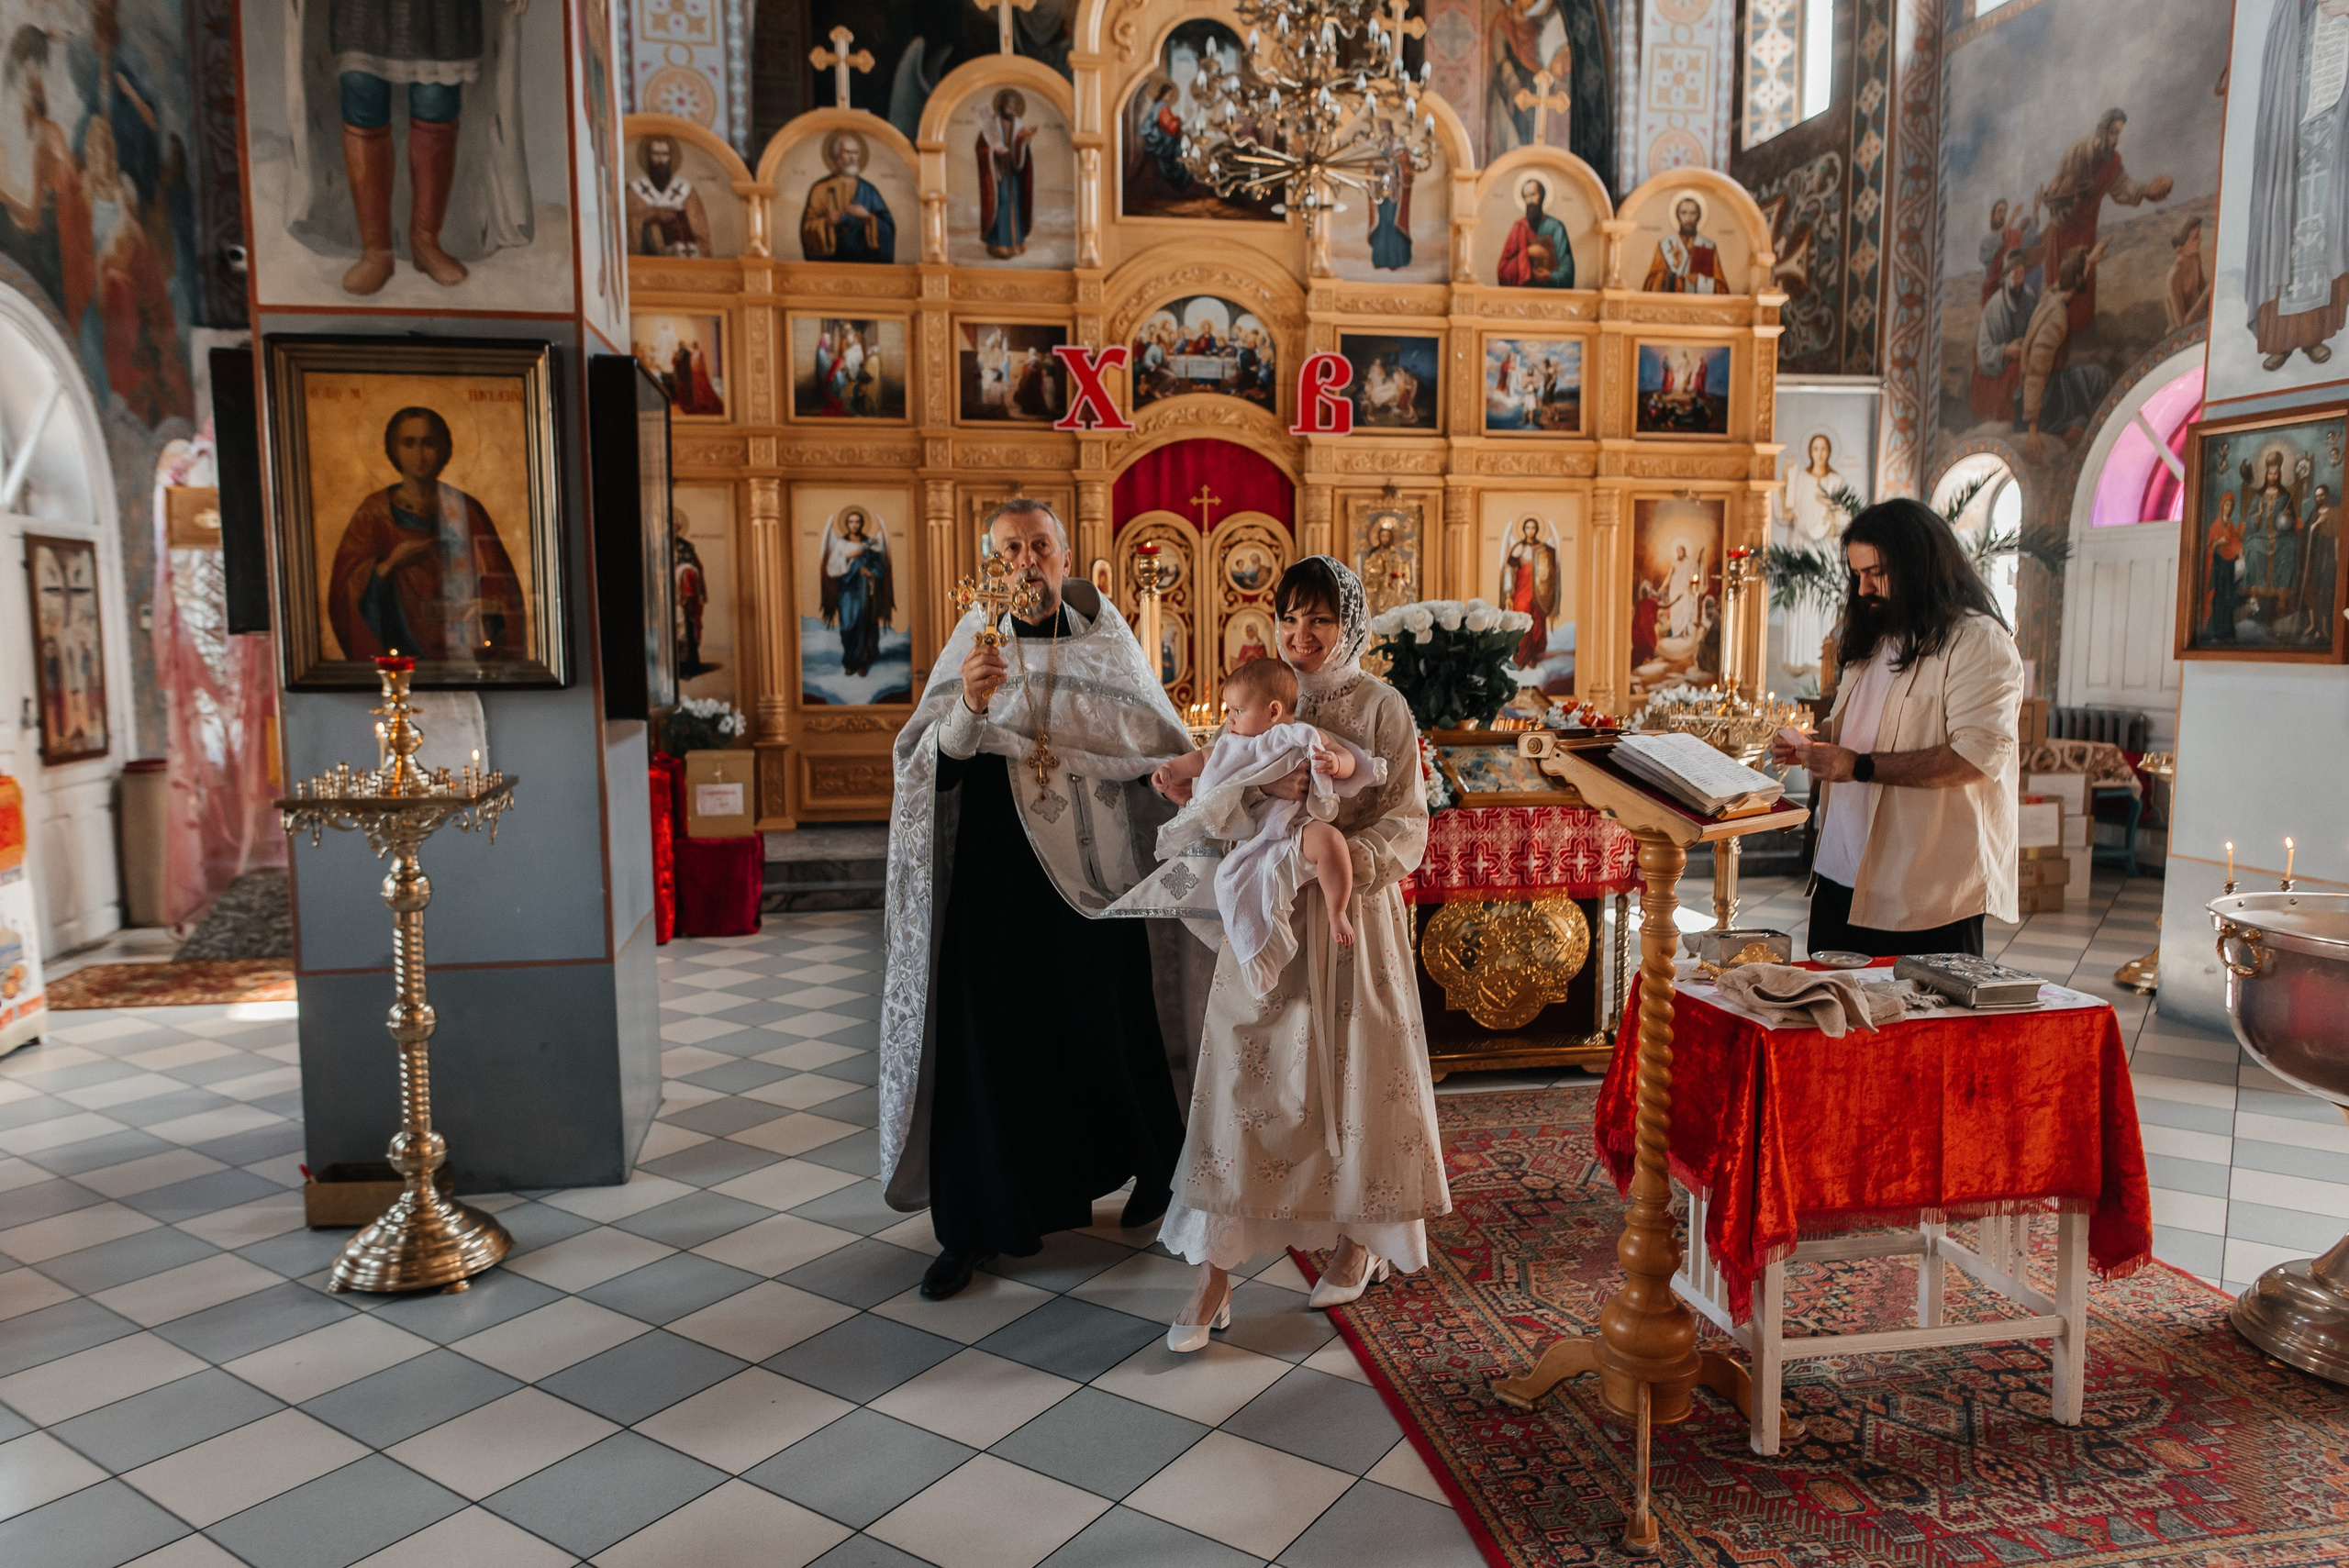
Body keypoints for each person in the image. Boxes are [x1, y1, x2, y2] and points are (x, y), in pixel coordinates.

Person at [880, 499, 1201, 1301]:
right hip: (998, 883)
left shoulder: (1106, 642)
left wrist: (1183, 781)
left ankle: (1157, 1170)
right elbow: (929, 769)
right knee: (989, 1043)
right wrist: (969, 708)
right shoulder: (975, 642)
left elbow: (1155, 743)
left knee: (1112, 1027)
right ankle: (975, 1226)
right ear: (991, 564)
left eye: (1040, 546)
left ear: (1065, 555)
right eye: (1010, 549)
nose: (1027, 560)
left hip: (1097, 879)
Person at [1145, 557, 1449, 1351]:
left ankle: (1359, 1239)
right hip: (1266, 910)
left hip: (1350, 919)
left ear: (1349, 623)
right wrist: (1229, 791)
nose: (1300, 633)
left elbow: (1407, 820)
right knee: (1242, 1080)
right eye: (1288, 616)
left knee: (1353, 1074)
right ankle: (1213, 1274)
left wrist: (1337, 858)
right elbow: (1222, 780)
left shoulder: (1381, 706)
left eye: (1318, 618)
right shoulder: (1262, 690)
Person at [1769, 499, 2023, 958]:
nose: (1863, 587)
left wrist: (1858, 766)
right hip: (1840, 876)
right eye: (1857, 574)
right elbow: (1871, 730)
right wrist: (1815, 745)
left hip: (1924, 890)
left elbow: (1976, 759)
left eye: (1877, 573)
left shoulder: (1977, 641)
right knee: (1830, 1003)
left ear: (1920, 566)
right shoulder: (1874, 636)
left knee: (1914, 1007)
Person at [1146, 657, 1379, 973]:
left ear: (1273, 711)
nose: (1229, 720)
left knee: (1332, 842)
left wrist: (1336, 764)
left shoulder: (1303, 734)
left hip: (1300, 825)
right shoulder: (1235, 746)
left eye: (1237, 711)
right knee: (1231, 878)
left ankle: (1337, 910)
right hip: (1259, 833)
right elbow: (1202, 759)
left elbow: (1345, 757)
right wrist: (1170, 770)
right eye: (1229, 710)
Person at [327, 406, 528, 662]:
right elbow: (344, 594)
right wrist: (390, 565)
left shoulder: (466, 510)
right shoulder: (373, 514)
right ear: (394, 449)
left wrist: (487, 608)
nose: (419, 455)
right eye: (409, 443)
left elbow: (502, 588)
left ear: (444, 449)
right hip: (397, 655)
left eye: (429, 443)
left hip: (461, 654)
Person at [2244, 0, 2349, 372]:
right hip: (2293, 102)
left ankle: (2314, 334)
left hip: (2334, 103)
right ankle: (2280, 339)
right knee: (2283, 224)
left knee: (2324, 220)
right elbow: (2283, 37)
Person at [2037, 107, 2173, 338]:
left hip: (2087, 229)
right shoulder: (2077, 152)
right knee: (2064, 276)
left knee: (2085, 278)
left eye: (2119, 133)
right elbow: (2058, 187)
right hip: (2065, 228)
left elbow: (2124, 187)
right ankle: (2056, 329)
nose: (2115, 139)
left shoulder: (2113, 162)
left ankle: (2082, 330)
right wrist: (2063, 200)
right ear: (2102, 130)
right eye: (2113, 132)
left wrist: (2147, 191)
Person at [2020, 243, 2115, 460]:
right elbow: (2037, 370)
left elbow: (2060, 283)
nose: (2087, 275)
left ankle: (2077, 424)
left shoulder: (2051, 297)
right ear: (2079, 279)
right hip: (2047, 393)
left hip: (2053, 381)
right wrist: (2032, 430)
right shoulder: (2057, 317)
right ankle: (2073, 426)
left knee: (2093, 375)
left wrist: (2088, 260)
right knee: (2098, 378)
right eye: (2085, 272)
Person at [800, 130, 896, 263]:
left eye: (855, 153)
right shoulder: (820, 189)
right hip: (830, 262)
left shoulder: (869, 190)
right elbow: (807, 228)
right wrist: (826, 222)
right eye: (847, 152)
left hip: (864, 262)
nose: (852, 157)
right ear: (836, 156)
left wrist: (867, 217)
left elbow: (888, 227)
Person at [819, 508, 893, 679]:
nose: (854, 525)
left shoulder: (870, 543)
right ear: (846, 524)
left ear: (862, 524)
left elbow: (879, 567)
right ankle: (849, 660)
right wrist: (851, 557)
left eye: (857, 522)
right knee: (847, 626)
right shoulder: (841, 544)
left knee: (863, 624)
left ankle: (860, 663)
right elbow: (831, 569)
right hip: (846, 590)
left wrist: (870, 572)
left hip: (864, 591)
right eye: (851, 522)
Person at [628, 135, 711, 257]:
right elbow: (629, 224)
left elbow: (700, 232)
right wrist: (652, 215)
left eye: (665, 154)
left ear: (671, 158)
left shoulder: (687, 191)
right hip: (648, 259)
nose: (661, 159)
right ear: (648, 157)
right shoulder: (634, 190)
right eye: (655, 154)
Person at [976, 89, 1036, 259]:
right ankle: (998, 243)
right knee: (1000, 203)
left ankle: (1016, 242)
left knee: (1015, 203)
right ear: (1001, 106)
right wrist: (993, 152)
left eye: (1014, 106)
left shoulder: (1019, 126)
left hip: (1014, 174)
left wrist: (1023, 141)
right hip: (998, 174)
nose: (1012, 108)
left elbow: (1023, 152)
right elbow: (981, 148)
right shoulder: (990, 126)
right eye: (1009, 105)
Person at [1502, 517, 1558, 668]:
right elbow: (1509, 571)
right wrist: (1508, 593)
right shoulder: (1518, 548)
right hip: (1522, 592)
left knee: (1537, 623)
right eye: (1528, 527)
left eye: (1533, 528)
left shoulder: (1543, 549)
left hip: (1538, 595)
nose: (1530, 531)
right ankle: (1520, 658)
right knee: (1522, 622)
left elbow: (1550, 571)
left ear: (1537, 529)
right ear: (1524, 529)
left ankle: (1534, 656)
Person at [1497, 177, 1573, 288]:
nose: (1529, 201)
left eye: (1533, 195)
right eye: (1525, 197)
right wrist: (1527, 252)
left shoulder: (1556, 227)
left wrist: (1550, 276)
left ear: (1542, 196)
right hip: (1523, 293)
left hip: (1551, 293)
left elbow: (1567, 272)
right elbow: (1503, 270)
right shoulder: (1519, 227)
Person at [1642, 195, 1726, 294]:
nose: (1688, 218)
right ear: (1678, 215)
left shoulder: (1708, 246)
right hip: (1671, 301)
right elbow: (1651, 284)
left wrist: (1700, 281)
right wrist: (1673, 269)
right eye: (1684, 213)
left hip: (1698, 302)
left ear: (1698, 216)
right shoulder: (1664, 245)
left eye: (1693, 213)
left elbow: (1722, 289)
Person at [2202, 490, 2243, 644]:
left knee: (2229, 596)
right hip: (2219, 565)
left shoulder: (2230, 524)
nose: (2229, 508)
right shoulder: (2216, 525)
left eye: (2231, 506)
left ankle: (2228, 630)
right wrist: (2220, 541)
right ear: (2222, 506)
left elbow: (2233, 540)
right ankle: (2219, 630)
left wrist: (2237, 545)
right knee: (2219, 596)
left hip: (2229, 564)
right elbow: (2210, 544)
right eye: (2226, 505)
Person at [2165, 215, 2210, 331]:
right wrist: (2206, 294)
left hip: (2196, 320)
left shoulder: (2195, 257)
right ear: (2180, 250)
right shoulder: (2174, 276)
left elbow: (2202, 288)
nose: (2200, 239)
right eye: (2195, 237)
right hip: (2182, 330)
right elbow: (2182, 324)